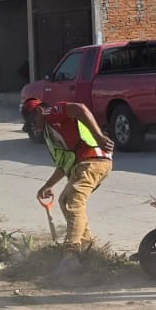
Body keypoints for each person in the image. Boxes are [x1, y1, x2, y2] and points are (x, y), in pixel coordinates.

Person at [34, 98, 114, 249]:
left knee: (74, 201)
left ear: (39, 111)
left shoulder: (52, 113)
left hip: (92, 161)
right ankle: (87, 246)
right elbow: (65, 163)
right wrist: (48, 185)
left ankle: (71, 251)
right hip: (83, 164)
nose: (30, 125)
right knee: (64, 200)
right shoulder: (50, 132)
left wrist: (98, 136)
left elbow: (80, 108)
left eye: (31, 119)